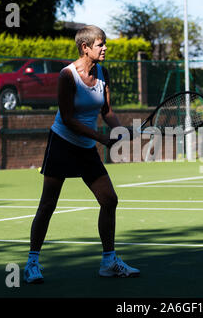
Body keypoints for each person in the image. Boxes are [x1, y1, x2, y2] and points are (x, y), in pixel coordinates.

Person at [23, 25, 139, 283]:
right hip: (63, 143)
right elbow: (68, 118)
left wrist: (119, 130)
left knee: (109, 200)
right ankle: (32, 263)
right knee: (48, 204)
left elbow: (106, 111)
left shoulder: (103, 73)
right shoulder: (67, 76)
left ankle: (109, 262)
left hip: (86, 148)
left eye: (104, 43)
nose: (105, 48)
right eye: (100, 44)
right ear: (85, 47)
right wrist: (102, 139)